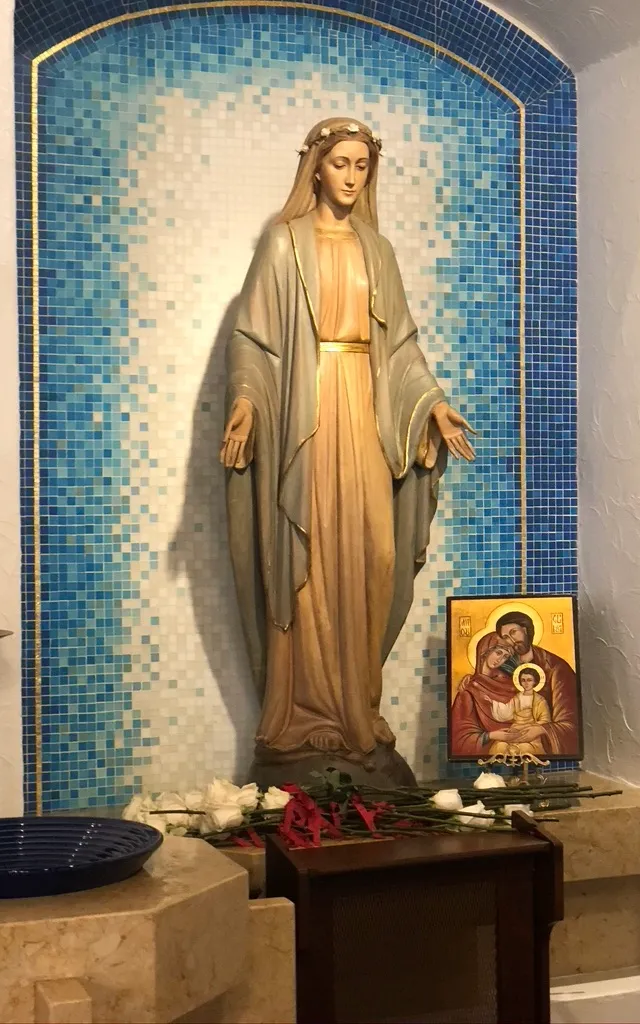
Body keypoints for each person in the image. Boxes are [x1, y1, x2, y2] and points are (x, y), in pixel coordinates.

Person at [220, 118, 477, 772]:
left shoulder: (377, 249)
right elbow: (253, 342)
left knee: (372, 550)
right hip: (305, 418)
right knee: (310, 553)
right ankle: (305, 717)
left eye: (362, 164)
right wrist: (247, 407)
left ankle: (357, 705)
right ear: (316, 167)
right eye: (341, 163)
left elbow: (401, 348)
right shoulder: (285, 245)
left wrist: (433, 404)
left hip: (363, 409)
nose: (352, 176)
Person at [493, 611, 579, 755]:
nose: (512, 641)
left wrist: (541, 729)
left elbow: (569, 722)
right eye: (506, 637)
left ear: (526, 629)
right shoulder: (502, 666)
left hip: (538, 738)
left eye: (514, 632)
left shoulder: (555, 667)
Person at [449, 633, 519, 757]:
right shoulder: (468, 690)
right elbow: (459, 737)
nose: (500, 660)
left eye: (505, 656)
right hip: (491, 751)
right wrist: (491, 736)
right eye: (498, 653)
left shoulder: (510, 684)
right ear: (485, 650)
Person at [488, 666, 552, 756]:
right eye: (523, 680)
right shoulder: (517, 698)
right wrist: (492, 703)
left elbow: (545, 720)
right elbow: (506, 712)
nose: (526, 683)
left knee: (525, 749)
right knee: (500, 747)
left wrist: (531, 727)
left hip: (530, 732)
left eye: (529, 680)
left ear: (535, 681)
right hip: (515, 730)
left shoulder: (540, 700)